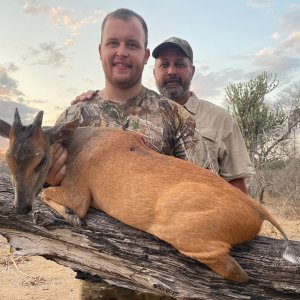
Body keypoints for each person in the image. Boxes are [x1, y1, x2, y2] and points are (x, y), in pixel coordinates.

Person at [72, 37, 254, 193]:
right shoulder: (131, 112)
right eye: (164, 64)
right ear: (154, 72)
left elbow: (237, 185)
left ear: (192, 70)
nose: (171, 71)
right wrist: (89, 103)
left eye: (180, 64)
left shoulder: (220, 119)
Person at [46, 10, 199, 187]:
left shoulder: (177, 116)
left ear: (146, 56)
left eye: (132, 45)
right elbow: (39, 194)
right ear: (100, 50)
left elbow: (205, 191)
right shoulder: (70, 119)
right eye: (113, 43)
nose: (121, 52)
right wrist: (47, 180)